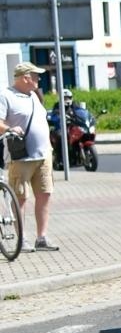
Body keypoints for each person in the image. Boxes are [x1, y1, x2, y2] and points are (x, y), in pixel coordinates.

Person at [2, 61, 56, 251]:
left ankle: (42, 238)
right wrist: (9, 129)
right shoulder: (5, 95)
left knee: (45, 194)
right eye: (35, 76)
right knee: (21, 198)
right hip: (21, 157)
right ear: (25, 78)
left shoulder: (34, 95)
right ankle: (21, 239)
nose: (38, 79)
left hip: (43, 155)